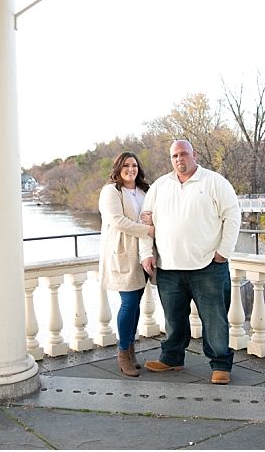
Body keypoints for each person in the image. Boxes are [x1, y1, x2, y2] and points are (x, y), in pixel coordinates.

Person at [138, 140, 240, 384]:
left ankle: (220, 366)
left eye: (183, 154)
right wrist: (146, 253)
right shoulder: (160, 186)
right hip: (169, 267)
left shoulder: (215, 182)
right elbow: (145, 222)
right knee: (173, 319)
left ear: (193, 154)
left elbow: (232, 216)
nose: (178, 159)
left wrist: (223, 252)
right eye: (174, 155)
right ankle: (172, 358)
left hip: (207, 266)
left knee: (214, 320)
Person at [98, 151, 156, 377]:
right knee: (129, 302)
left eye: (134, 165)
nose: (130, 169)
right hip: (122, 251)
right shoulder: (111, 191)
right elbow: (117, 221)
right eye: (125, 165)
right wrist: (148, 230)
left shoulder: (144, 191)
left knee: (137, 303)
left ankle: (131, 349)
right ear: (118, 168)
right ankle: (123, 353)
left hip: (142, 253)